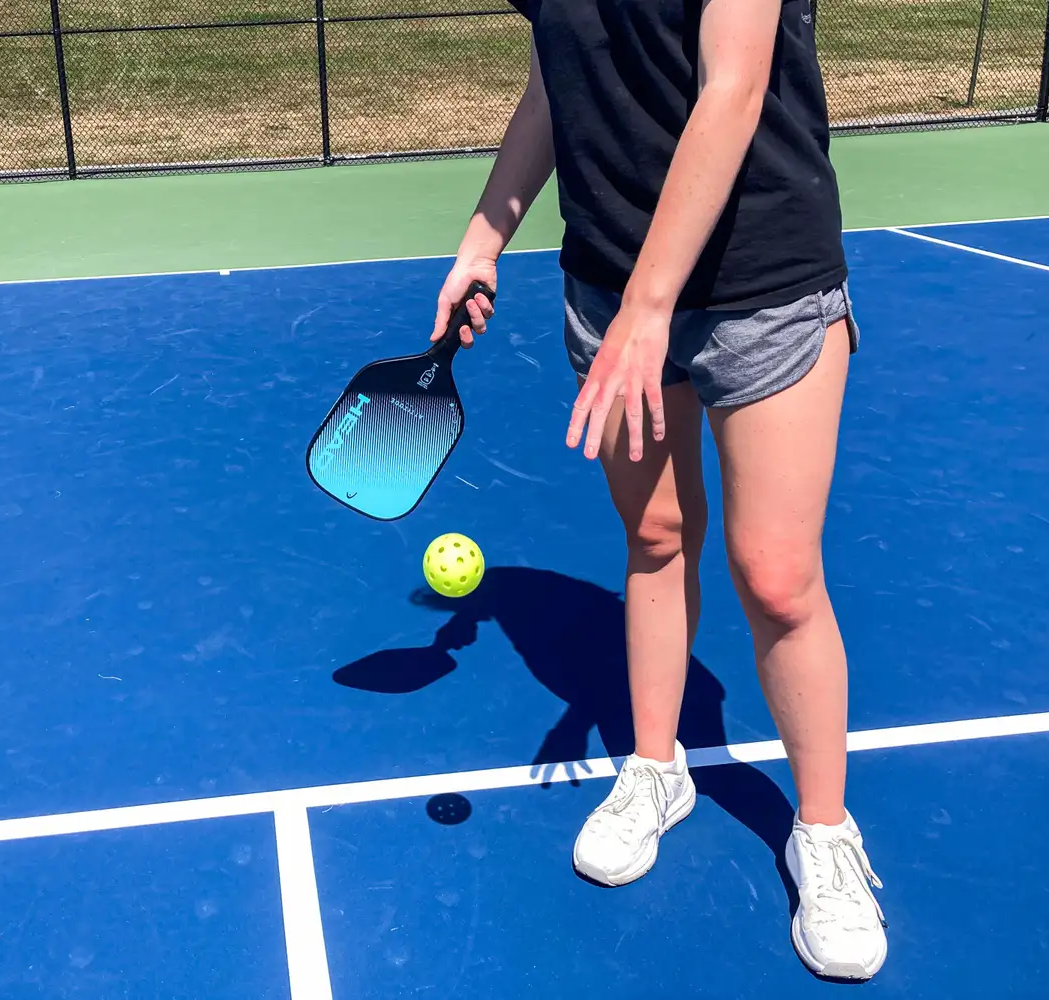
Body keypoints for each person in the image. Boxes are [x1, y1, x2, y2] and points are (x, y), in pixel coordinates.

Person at [430, 0, 886, 980]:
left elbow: (734, 86)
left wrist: (651, 306)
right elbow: (557, 74)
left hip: (761, 274)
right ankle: (655, 767)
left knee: (777, 577)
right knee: (655, 536)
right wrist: (483, 236)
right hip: (608, 276)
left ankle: (825, 831)